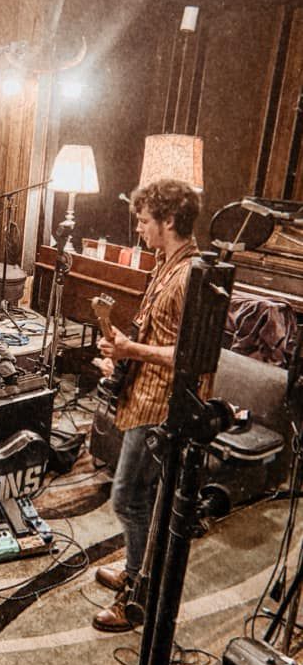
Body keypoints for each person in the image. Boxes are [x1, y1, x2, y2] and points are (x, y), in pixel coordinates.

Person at [92, 178, 202, 633]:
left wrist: (131, 352)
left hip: (160, 406)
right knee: (139, 500)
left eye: (143, 221)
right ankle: (135, 568)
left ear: (169, 221)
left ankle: (137, 594)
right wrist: (121, 353)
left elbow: (189, 356)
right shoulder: (165, 265)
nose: (138, 228)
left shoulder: (191, 275)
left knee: (130, 498)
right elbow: (157, 334)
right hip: (142, 395)